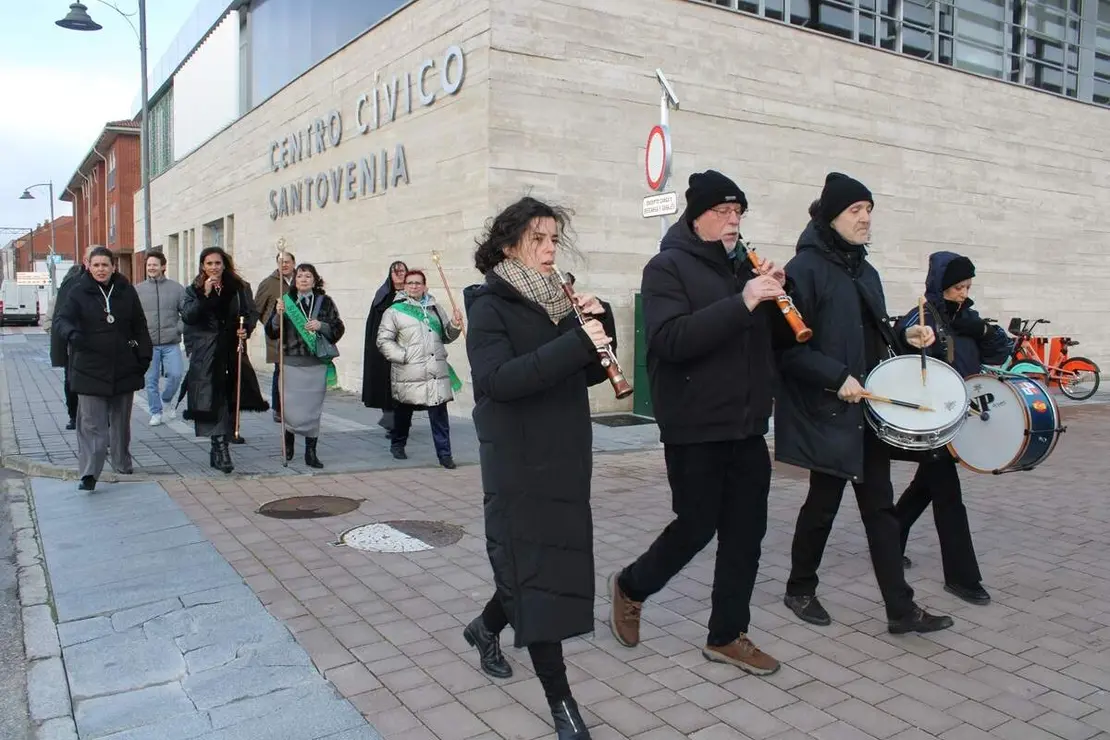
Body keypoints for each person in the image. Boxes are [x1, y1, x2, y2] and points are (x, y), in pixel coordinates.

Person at [607, 170, 792, 676]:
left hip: (748, 425)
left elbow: (772, 345)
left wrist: (780, 297)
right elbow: (670, 340)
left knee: (745, 533)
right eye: (722, 212)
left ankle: (727, 635)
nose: (733, 221)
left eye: (739, 213)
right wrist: (744, 301)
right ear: (697, 216)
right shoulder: (667, 267)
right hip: (695, 426)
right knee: (695, 526)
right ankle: (631, 585)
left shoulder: (742, 270)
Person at [461, 196, 616, 740]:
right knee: (532, 571)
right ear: (509, 246)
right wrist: (574, 343)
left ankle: (485, 628)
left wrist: (600, 327)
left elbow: (588, 376)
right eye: (539, 240)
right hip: (518, 461)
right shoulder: (489, 306)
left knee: (544, 568)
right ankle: (562, 702)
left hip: (566, 455)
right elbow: (498, 381)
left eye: (555, 239)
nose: (551, 249)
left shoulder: (561, 301)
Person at [776, 172, 954, 634]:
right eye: (856, 210)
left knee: (880, 508)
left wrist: (903, 334)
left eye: (869, 210)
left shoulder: (865, 270)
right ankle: (799, 588)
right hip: (829, 411)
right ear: (832, 216)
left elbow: (868, 333)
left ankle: (901, 609)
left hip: (866, 413)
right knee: (822, 506)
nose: (865, 219)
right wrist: (838, 379)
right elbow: (788, 350)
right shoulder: (804, 270)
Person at [893, 252, 1011, 605]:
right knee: (949, 497)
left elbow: (998, 353)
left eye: (968, 286)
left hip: (962, 413)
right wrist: (914, 336)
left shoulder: (969, 316)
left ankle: (888, 539)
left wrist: (986, 330)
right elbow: (901, 340)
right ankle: (962, 577)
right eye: (958, 286)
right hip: (933, 418)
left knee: (925, 487)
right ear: (941, 285)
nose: (963, 292)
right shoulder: (922, 315)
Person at [52, 247, 151, 491]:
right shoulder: (77, 292)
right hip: (89, 367)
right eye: (96, 265)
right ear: (89, 266)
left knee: (120, 423)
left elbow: (139, 325)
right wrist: (72, 334)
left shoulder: (126, 291)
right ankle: (89, 473)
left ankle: (121, 463)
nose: (100, 269)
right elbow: (61, 320)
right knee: (92, 425)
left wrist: (143, 356)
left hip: (123, 366)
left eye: (105, 265)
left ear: (113, 267)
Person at [181, 247, 269, 473]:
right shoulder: (194, 290)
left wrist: (246, 330)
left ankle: (217, 448)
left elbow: (250, 313)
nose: (214, 268)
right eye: (209, 263)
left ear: (224, 264)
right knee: (213, 400)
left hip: (232, 350)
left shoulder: (239, 288)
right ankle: (221, 450)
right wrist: (205, 296)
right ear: (203, 266)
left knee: (228, 399)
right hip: (207, 353)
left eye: (217, 263)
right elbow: (189, 316)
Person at [376, 269, 463, 469]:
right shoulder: (395, 311)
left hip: (435, 372)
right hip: (409, 372)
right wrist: (403, 356)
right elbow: (383, 340)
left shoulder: (435, 309)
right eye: (410, 283)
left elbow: (446, 337)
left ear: (425, 286)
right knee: (404, 413)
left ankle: (445, 454)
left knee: (439, 414)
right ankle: (398, 444)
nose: (414, 286)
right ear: (404, 287)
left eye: (418, 283)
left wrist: (455, 325)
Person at [266, 263, 345, 468]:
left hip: (315, 363)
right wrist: (278, 315)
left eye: (308, 276)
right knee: (290, 408)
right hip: (291, 362)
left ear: (315, 280)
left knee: (312, 410)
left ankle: (311, 451)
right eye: (299, 276)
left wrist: (322, 326)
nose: (303, 279)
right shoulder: (285, 302)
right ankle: (289, 443)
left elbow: (338, 328)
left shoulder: (324, 302)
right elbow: (272, 331)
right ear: (294, 280)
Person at [134, 251, 186, 426]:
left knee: (176, 374)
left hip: (171, 342)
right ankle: (155, 412)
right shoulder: (138, 290)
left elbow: (187, 313)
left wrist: (178, 329)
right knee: (151, 380)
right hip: (149, 344)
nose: (151, 268)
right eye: (149, 265)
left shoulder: (176, 288)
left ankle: (166, 400)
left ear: (163, 266)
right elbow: (132, 316)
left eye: (155, 264)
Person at [362, 260, 408, 432]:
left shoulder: (413, 294)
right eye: (395, 271)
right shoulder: (382, 296)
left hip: (406, 349)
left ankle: (401, 421)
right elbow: (374, 326)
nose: (399, 274)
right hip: (387, 349)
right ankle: (390, 419)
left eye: (402, 271)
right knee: (386, 385)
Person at [254, 251, 296, 422]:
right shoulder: (269, 283)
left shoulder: (300, 280)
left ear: (293, 263)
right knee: (280, 371)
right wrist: (270, 323)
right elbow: (257, 309)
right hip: (278, 336)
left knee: (296, 372)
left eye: (287, 261)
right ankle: (278, 408)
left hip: (299, 337)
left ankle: (294, 407)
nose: (284, 265)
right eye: (280, 262)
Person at [49, 261, 86, 430]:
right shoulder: (63, 295)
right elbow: (52, 319)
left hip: (78, 346)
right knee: (71, 381)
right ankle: (74, 415)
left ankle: (78, 416)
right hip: (70, 347)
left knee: (73, 381)